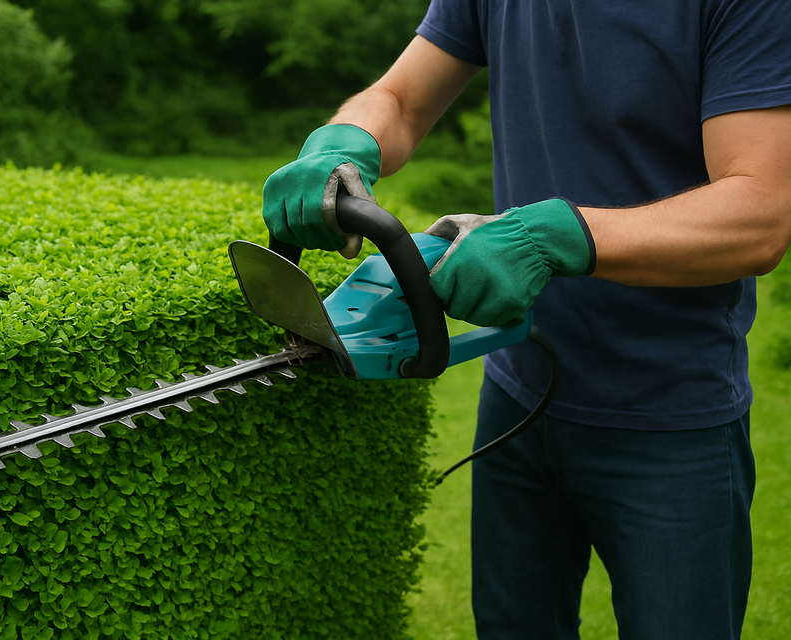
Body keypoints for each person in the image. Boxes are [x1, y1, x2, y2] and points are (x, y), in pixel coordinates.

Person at [261, 1, 791, 638]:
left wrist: (557, 233)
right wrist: (342, 142)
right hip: (519, 398)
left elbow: (761, 215)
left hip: (671, 416)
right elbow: (401, 99)